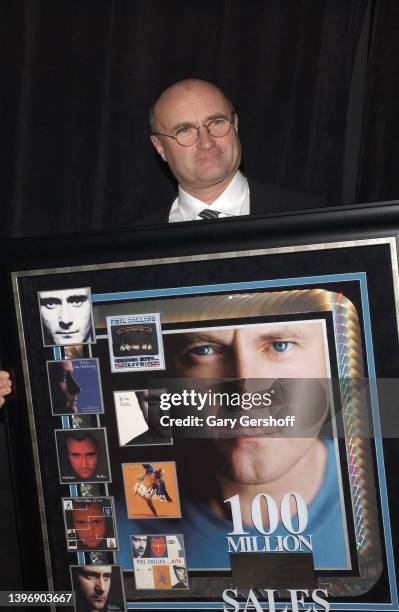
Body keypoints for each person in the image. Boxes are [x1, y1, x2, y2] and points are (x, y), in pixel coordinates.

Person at [116, 319, 348, 572]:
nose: (245, 398)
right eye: (203, 351)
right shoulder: (119, 523)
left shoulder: (379, 498)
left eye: (281, 346)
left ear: (332, 359)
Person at [148, 78, 325, 223]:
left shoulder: (308, 215)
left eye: (217, 122)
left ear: (236, 125)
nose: (206, 143)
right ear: (160, 147)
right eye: (184, 130)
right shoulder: (129, 244)